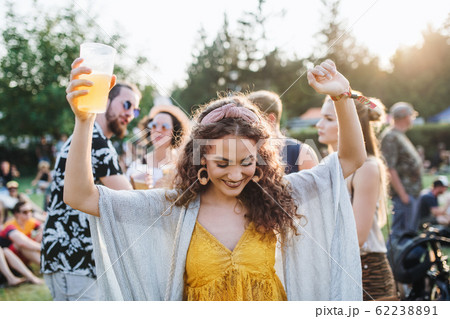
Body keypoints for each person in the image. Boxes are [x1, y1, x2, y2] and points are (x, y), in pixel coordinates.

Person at [63, 58, 365, 301]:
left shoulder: (275, 195)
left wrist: (342, 95)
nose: (236, 175)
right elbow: (80, 196)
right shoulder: (174, 207)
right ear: (200, 159)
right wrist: (85, 119)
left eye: (247, 162)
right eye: (222, 163)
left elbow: (351, 159)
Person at [40, 72, 142, 301]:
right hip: (73, 254)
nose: (130, 114)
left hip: (72, 253)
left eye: (135, 110)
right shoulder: (95, 141)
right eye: (127, 104)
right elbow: (128, 198)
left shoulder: (92, 137)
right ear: (105, 99)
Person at [317, 93, 396, 300]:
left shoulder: (367, 168)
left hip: (366, 270)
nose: (318, 124)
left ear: (348, 123)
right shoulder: (327, 165)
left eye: (328, 119)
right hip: (336, 266)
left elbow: (358, 236)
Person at [247, 90, 319, 173]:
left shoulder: (301, 152)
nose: (246, 125)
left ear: (270, 119)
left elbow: (313, 185)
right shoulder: (247, 150)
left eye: (251, 120)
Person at [380, 102, 423, 241]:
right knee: (400, 235)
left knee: (408, 233)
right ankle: (394, 262)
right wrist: (403, 195)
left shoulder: (399, 135)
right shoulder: (391, 136)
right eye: (411, 116)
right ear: (405, 116)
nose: (412, 119)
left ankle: (405, 262)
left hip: (411, 192)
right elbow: (389, 167)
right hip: (405, 195)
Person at [126, 104, 191, 189]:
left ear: (175, 132)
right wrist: (133, 184)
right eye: (154, 125)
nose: (158, 130)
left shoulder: (183, 167)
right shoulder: (137, 165)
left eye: (164, 127)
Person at [0, 201, 42, 265]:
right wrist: (42, 247)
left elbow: (43, 228)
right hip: (10, 256)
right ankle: (45, 265)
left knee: (42, 233)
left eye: (30, 211)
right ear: (17, 214)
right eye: (25, 212)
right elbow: (22, 243)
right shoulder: (10, 225)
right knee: (23, 245)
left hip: (26, 253)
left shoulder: (31, 222)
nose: (29, 214)